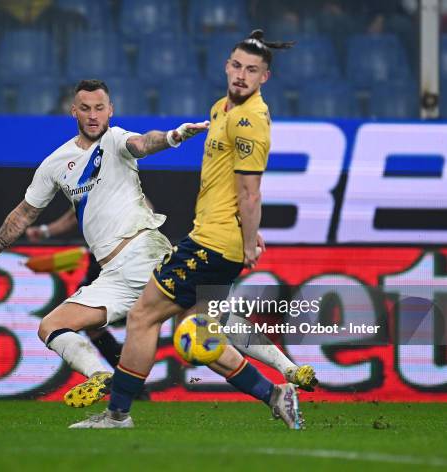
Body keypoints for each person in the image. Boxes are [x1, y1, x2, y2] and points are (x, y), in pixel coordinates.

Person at [69, 30, 316, 430]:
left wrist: (249, 236)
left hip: (212, 243)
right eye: (236, 65)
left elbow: (250, 192)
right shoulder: (221, 108)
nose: (241, 74)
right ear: (226, 65)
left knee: (142, 316)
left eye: (252, 70)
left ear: (264, 78)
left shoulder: (250, 120)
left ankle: (117, 414)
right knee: (196, 335)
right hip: (222, 238)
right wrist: (244, 231)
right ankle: (275, 394)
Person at [0, 79, 209, 406]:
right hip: (112, 273)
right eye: (85, 108)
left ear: (110, 110)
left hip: (144, 255)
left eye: (100, 107)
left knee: (203, 334)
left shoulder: (116, 140)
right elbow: (24, 213)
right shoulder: (56, 163)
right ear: (74, 111)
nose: (93, 114)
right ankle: (101, 376)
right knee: (51, 326)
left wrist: (175, 136)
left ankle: (283, 374)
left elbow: (144, 144)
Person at [26, 209, 151, 400]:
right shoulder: (94, 188)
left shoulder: (125, 193)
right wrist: (45, 231)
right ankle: (130, 384)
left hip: (121, 264)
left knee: (142, 322)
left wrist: (45, 231)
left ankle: (131, 384)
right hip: (106, 262)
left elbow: (144, 216)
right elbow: (73, 214)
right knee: (98, 328)